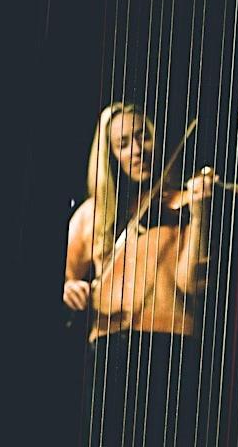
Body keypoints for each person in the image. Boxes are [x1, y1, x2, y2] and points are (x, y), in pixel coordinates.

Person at [63, 102, 214, 446]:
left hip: (169, 345)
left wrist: (201, 215)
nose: (136, 151)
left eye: (142, 137)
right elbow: (68, 279)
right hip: (108, 349)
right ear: (110, 154)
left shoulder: (180, 203)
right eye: (123, 144)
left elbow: (190, 283)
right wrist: (72, 289)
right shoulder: (93, 215)